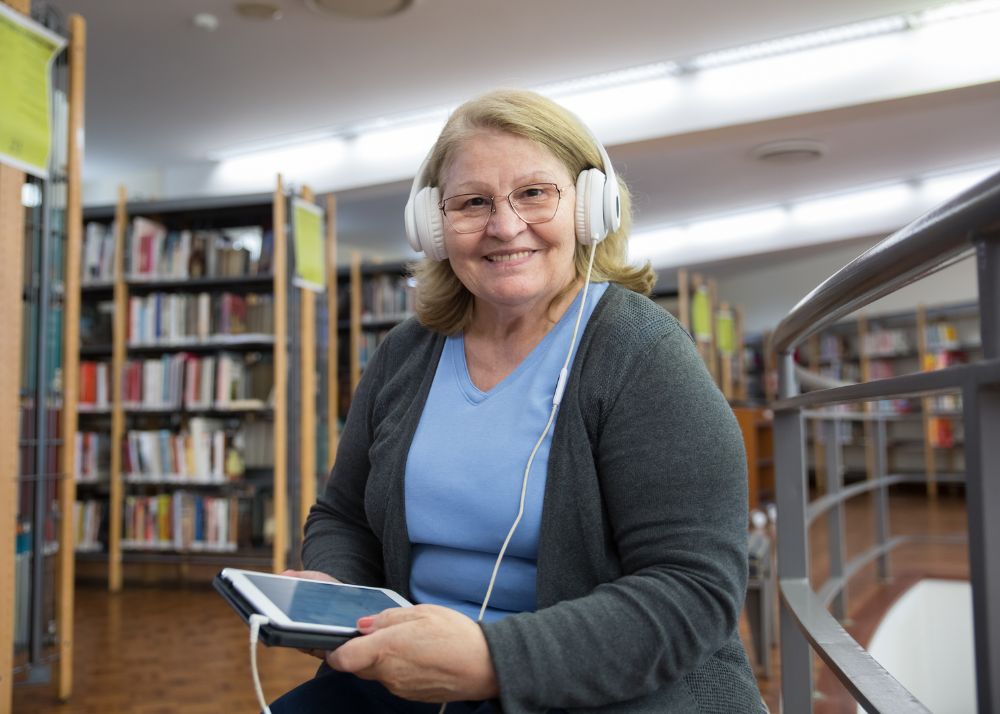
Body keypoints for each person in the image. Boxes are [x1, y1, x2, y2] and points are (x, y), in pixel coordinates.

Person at [272, 88, 765, 713]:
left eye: (534, 193)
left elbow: (694, 589)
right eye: (473, 202)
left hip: (595, 689)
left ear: (591, 208)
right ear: (433, 226)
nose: (505, 226)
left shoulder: (641, 353)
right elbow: (343, 516)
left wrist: (491, 661)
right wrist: (335, 590)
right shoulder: (406, 353)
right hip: (410, 676)